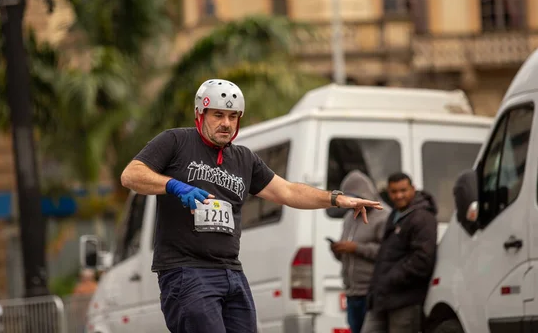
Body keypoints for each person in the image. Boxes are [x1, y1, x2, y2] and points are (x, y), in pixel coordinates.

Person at [120, 79, 383, 333]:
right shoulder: (176, 142)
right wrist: (175, 186)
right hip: (186, 271)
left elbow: (289, 191)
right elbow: (131, 174)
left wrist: (336, 198)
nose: (226, 123)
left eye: (233, 117)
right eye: (218, 115)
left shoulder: (244, 158)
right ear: (200, 114)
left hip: (231, 272)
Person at [361, 172, 438, 333]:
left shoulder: (422, 217)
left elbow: (422, 260)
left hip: (405, 300)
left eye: (403, 190)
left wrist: (390, 279)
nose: (398, 196)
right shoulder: (396, 215)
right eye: (394, 192)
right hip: (382, 298)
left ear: (413, 189)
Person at [330, 170, 390, 333]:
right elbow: (347, 256)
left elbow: (387, 253)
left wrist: (356, 248)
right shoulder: (349, 218)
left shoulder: (383, 216)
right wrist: (338, 250)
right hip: (351, 293)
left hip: (371, 293)